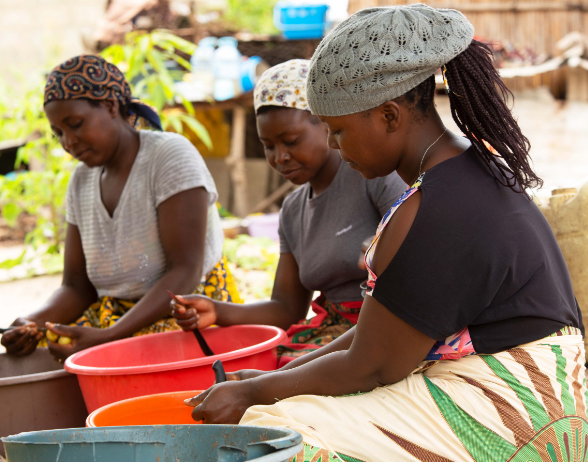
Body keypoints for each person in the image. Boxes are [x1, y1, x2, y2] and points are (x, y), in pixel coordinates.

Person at [183, 6, 586, 461]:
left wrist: (254, 395)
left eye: (338, 130)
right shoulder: (461, 174)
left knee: (274, 434)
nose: (333, 144)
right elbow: (373, 337)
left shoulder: (439, 207)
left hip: (519, 406)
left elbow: (373, 366)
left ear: (389, 116)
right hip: (523, 385)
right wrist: (267, 380)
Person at [0, 55, 239, 361]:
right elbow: (76, 287)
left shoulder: (167, 156)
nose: (68, 142)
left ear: (111, 107)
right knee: (45, 353)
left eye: (75, 125)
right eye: (58, 133)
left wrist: (110, 336)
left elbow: (185, 270)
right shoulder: (81, 181)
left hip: (186, 311)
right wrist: (31, 323)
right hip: (115, 317)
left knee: (118, 362)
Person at [172, 60, 405, 366]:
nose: (280, 157)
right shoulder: (293, 212)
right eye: (268, 146)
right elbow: (286, 307)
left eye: (291, 141)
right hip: (333, 331)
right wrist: (217, 311)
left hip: (386, 327)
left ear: (325, 123)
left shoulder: (371, 175)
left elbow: (417, 249)